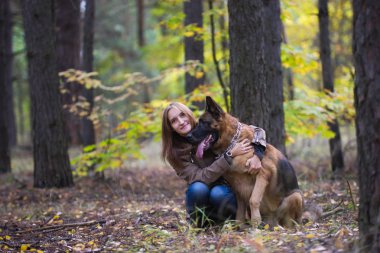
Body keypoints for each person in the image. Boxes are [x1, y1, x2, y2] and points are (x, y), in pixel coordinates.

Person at [161, 102, 267, 227]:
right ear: (170, 127)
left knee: (218, 193)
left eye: (182, 115)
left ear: (189, 114)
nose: (181, 121)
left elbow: (256, 130)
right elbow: (200, 177)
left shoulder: (206, 127)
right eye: (174, 121)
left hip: (224, 191)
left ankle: (224, 222)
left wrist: (258, 155)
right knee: (197, 188)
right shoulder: (174, 153)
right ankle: (200, 223)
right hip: (201, 198)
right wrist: (229, 155)